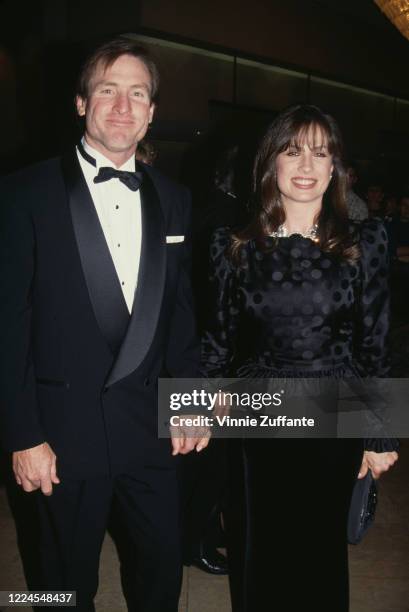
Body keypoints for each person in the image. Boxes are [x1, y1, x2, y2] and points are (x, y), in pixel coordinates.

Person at [0, 37, 208, 612]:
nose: (122, 106)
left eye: (137, 94)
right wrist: (22, 435)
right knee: (58, 583)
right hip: (60, 436)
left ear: (152, 112)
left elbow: (182, 311)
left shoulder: (176, 199)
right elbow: (8, 324)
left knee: (162, 571)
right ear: (80, 103)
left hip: (151, 432)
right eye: (108, 90)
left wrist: (189, 397)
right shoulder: (22, 194)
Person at [202, 104, 399, 612]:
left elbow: (376, 344)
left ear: (336, 167)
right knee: (257, 547)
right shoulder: (235, 245)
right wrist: (196, 409)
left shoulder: (366, 242)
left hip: (334, 405)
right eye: (293, 152)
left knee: (319, 548)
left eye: (320, 152)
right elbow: (218, 340)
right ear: (271, 164)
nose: (306, 165)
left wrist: (379, 434)